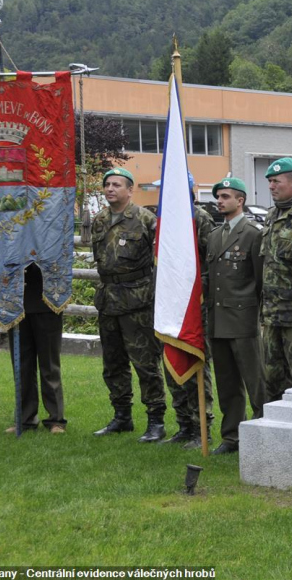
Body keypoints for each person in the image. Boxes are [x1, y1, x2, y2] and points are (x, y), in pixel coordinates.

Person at [91, 168, 167, 443]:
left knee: (145, 364)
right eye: (107, 184)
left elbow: (161, 259)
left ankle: (156, 420)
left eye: (117, 185)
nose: (110, 189)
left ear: (129, 190)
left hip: (137, 301)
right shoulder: (99, 220)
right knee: (113, 363)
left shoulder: (146, 220)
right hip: (108, 299)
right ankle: (121, 416)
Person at [206, 177, 265, 455]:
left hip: (244, 321)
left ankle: (263, 431)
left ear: (239, 200)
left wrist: (259, 317)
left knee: (255, 382)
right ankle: (231, 437)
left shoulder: (253, 233)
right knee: (227, 383)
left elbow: (260, 279)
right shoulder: (215, 236)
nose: (220, 201)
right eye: (218, 196)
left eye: (225, 196)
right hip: (218, 321)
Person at [161, 182, 216, 449]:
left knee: (195, 363)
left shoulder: (200, 219)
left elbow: (210, 259)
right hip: (172, 303)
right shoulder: (165, 220)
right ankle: (183, 425)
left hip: (194, 305)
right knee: (172, 366)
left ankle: (201, 426)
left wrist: (197, 293)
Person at [260, 157, 292, 402]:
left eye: (276, 181)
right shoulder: (271, 215)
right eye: (269, 181)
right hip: (271, 316)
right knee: (271, 379)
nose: (271, 186)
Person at [5, 264, 67, 433]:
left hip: (47, 302)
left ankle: (56, 420)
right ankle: (25, 419)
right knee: (22, 366)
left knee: (49, 365)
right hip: (17, 303)